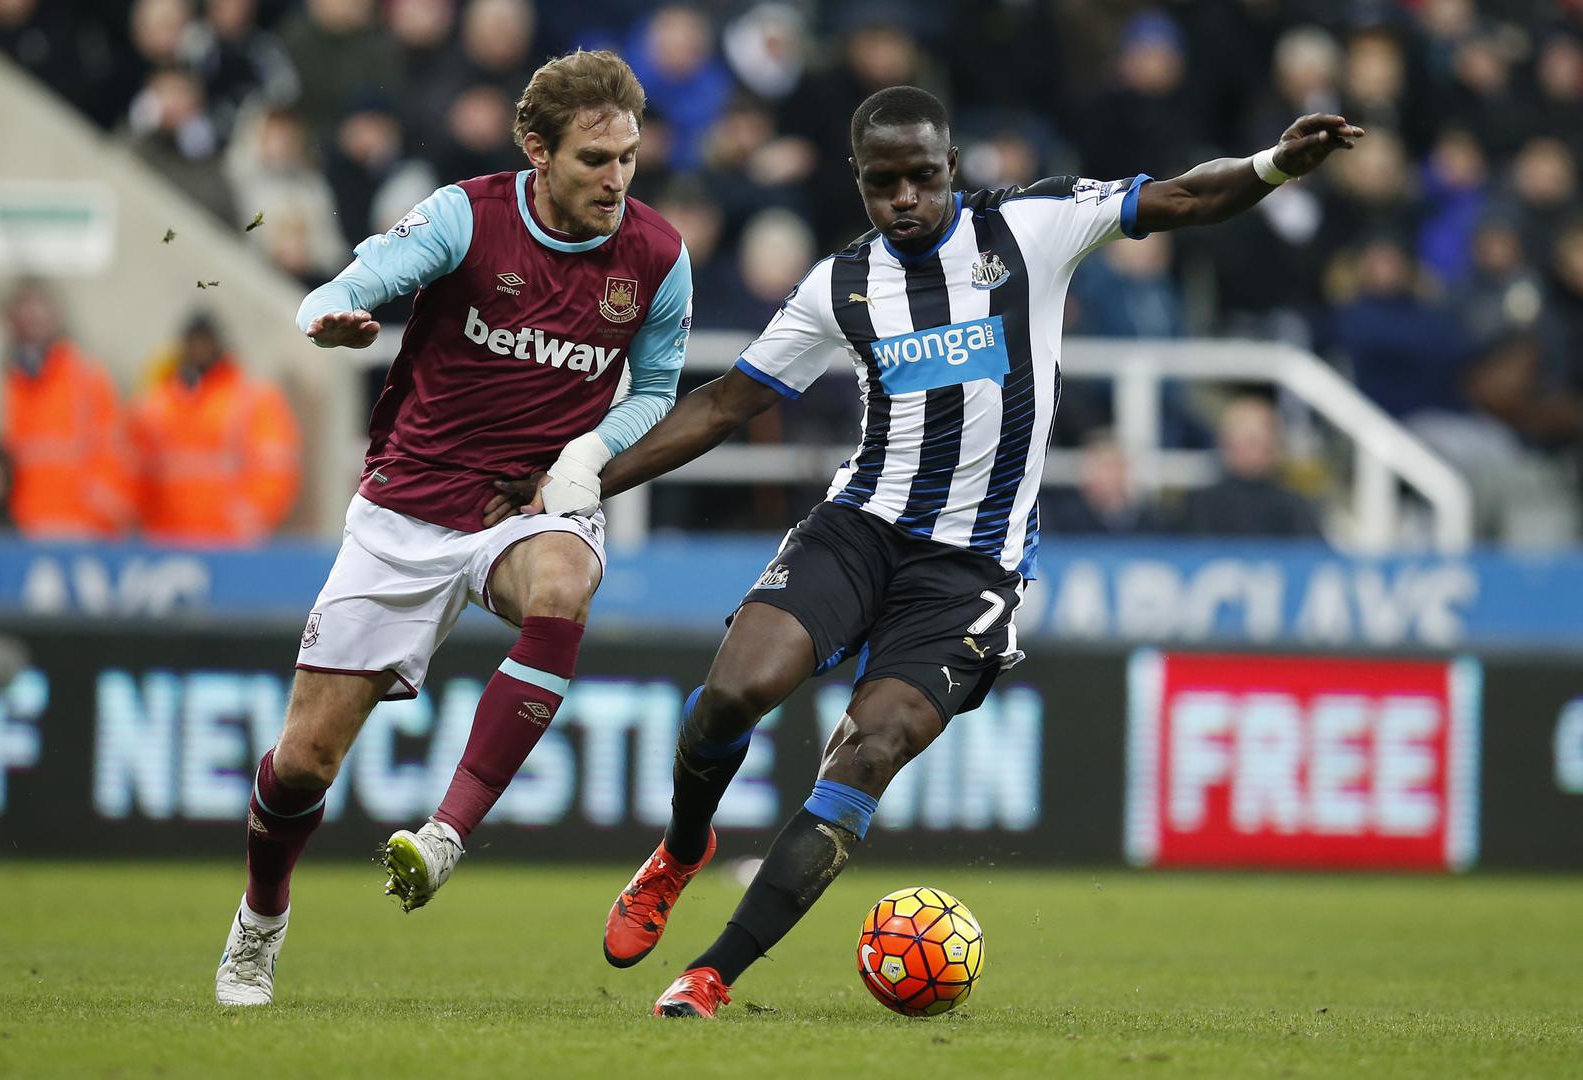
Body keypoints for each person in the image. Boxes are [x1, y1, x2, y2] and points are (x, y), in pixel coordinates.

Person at [486, 86, 1362, 1016]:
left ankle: (711, 974)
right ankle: (681, 847)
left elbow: (1183, 196)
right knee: (732, 696)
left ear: (951, 167)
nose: (903, 198)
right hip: (859, 529)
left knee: (869, 751)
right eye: (881, 183)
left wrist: (1272, 165)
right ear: (858, 180)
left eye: (920, 177)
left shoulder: (1030, 228)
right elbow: (721, 407)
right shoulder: (840, 285)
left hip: (969, 568)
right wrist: (578, 479)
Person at [214, 49, 693, 1006]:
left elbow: (656, 389)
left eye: (628, 158)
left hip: (523, 504)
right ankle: (259, 924)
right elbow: (346, 284)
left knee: (563, 582)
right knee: (302, 765)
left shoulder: (655, 254)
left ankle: (445, 835)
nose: (616, 179)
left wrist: (582, 458)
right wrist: (333, 314)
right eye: (594, 158)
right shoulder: (463, 216)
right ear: (536, 151)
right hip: (408, 507)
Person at [130, 312, 302, 546]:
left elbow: (275, 468)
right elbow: (135, 469)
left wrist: (249, 519)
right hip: (166, 541)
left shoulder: (251, 399)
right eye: (193, 342)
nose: (199, 349)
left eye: (205, 342)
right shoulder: (156, 404)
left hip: (229, 543)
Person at [0, 279, 133, 539]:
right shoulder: (4, 380)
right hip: (13, 533)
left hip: (78, 530)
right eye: (25, 307)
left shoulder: (87, 378)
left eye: (40, 307)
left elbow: (114, 453)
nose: (33, 316)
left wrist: (100, 514)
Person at [1169, 395, 1324, 540]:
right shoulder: (1199, 506)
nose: (1257, 451)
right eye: (1249, 442)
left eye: (1260, 442)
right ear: (1225, 443)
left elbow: (1314, 554)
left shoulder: (1294, 508)